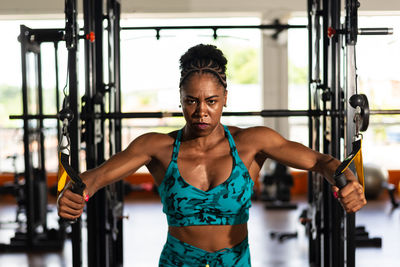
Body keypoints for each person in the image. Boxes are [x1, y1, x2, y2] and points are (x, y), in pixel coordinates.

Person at [57, 44, 366, 267]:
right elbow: (93, 178)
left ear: (225, 99)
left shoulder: (252, 141)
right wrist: (73, 194)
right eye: (191, 101)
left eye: (211, 101)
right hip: (178, 261)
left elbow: (321, 162)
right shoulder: (156, 147)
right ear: (180, 100)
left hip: (234, 261)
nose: (201, 111)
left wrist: (347, 179)